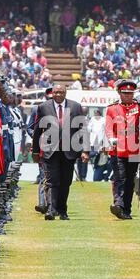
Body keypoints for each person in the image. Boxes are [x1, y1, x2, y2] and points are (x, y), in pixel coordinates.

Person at [32, 84, 90, 221]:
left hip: (69, 151)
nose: (58, 95)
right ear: (52, 93)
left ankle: (62, 210)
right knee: (52, 181)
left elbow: (83, 130)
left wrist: (85, 150)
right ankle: (51, 210)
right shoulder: (43, 107)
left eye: (61, 92)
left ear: (65, 93)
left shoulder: (76, 107)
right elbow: (37, 131)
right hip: (50, 151)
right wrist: (35, 151)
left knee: (65, 182)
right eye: (56, 92)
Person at [106, 80, 140, 220]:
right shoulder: (112, 108)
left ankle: (126, 209)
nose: (128, 96)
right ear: (119, 93)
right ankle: (118, 203)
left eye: (130, 93)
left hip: (134, 147)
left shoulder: (137, 106)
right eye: (125, 93)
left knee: (130, 180)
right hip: (118, 148)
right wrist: (111, 138)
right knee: (120, 177)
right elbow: (108, 127)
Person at [28, 87, 53, 214]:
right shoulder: (37, 109)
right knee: (44, 175)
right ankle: (42, 203)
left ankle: (52, 204)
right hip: (42, 147)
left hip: (57, 148)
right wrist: (38, 135)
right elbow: (30, 128)